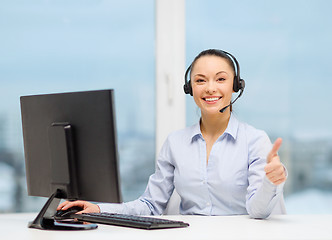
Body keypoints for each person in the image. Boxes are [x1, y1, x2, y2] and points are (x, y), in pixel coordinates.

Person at [58, 49, 287, 219]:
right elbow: (150, 205)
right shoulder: (176, 143)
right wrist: (99, 208)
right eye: (200, 80)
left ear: (235, 85)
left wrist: (270, 181)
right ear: (190, 89)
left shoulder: (255, 140)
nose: (210, 88)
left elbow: (258, 212)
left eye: (220, 79)